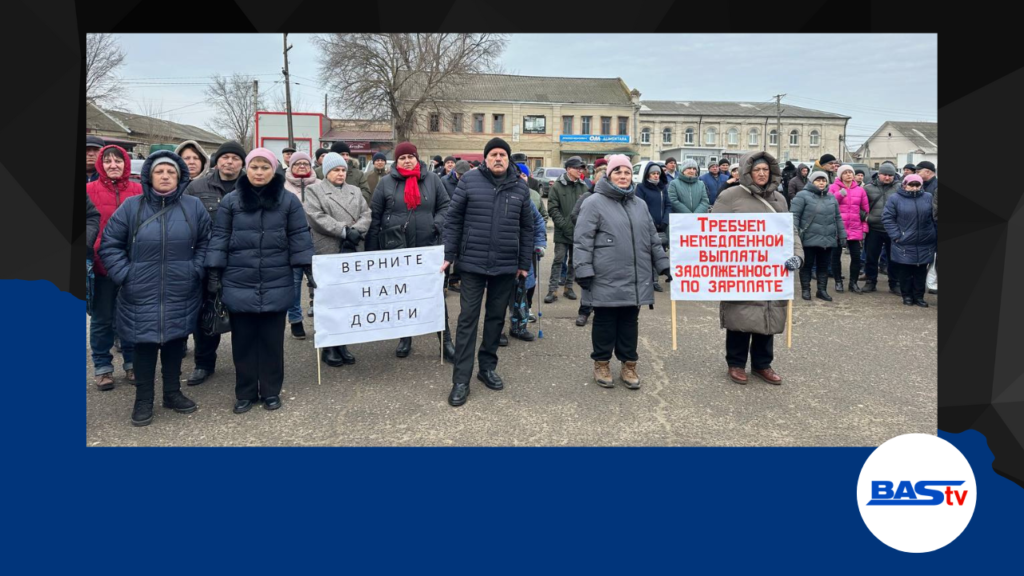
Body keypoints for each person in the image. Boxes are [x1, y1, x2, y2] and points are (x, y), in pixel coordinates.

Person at [98, 151, 211, 426]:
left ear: (180, 176)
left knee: (175, 342)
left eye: (171, 172)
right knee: (144, 346)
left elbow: (207, 243)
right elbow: (109, 243)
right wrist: (125, 274)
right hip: (140, 291)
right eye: (160, 171)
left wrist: (194, 271)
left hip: (180, 289)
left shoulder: (193, 207)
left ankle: (172, 393)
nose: (165, 176)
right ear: (149, 175)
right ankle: (143, 400)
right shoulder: (131, 207)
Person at [205, 148, 315, 414]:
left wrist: (311, 273)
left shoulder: (288, 201)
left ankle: (270, 391)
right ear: (247, 169)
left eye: (265, 167)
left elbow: (300, 238)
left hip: (276, 280)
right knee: (242, 342)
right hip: (239, 279)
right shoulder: (231, 201)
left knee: (271, 342)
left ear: (274, 170)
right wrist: (213, 274)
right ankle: (244, 392)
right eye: (254, 167)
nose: (259, 172)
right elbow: (220, 238)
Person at [441, 137, 534, 407]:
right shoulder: (469, 181)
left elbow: (526, 227)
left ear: (508, 159)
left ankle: (487, 368)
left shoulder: (520, 187)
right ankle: (460, 380)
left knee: (495, 319)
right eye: (493, 154)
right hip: (472, 263)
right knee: (468, 319)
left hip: (505, 265)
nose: (497, 158)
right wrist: (449, 255)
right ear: (485, 158)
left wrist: (523, 263)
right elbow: (453, 219)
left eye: (502, 155)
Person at [574, 155, 669, 389]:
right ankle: (602, 363)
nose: (623, 176)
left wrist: (664, 264)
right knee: (605, 321)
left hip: (635, 276)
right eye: (618, 172)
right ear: (609, 175)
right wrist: (583, 268)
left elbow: (652, 239)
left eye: (626, 172)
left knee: (629, 321)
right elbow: (582, 240)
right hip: (605, 275)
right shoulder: (594, 202)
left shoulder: (639, 204)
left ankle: (629, 365)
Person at [710, 151, 803, 386]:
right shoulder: (730, 196)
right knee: (741, 316)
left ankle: (763, 364)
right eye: (756, 170)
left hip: (772, 269)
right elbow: (713, 232)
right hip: (741, 269)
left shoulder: (779, 199)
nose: (762, 174)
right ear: (747, 172)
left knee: (768, 316)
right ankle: (736, 363)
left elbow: (790, 232)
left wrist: (797, 256)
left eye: (765, 170)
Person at [364, 142, 452, 360]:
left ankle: (446, 341)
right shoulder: (385, 183)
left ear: (416, 158)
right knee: (402, 295)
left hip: (427, 247)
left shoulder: (432, 180)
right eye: (402, 158)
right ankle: (405, 337)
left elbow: (446, 206)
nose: (406, 160)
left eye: (410, 157)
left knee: (435, 295)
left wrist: (436, 224)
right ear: (397, 161)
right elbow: (375, 216)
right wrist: (372, 251)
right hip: (396, 250)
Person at [182, 140, 246, 386]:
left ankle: (244, 363)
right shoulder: (196, 187)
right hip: (207, 261)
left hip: (242, 262)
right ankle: (204, 363)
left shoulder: (251, 185)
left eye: (235, 158)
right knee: (206, 315)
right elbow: (187, 223)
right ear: (216, 160)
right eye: (225, 157)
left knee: (243, 315)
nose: (229, 161)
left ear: (242, 163)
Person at [300, 152, 370, 366]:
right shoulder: (314, 190)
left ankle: (343, 343)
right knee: (329, 299)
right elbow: (315, 216)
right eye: (335, 170)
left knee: (348, 298)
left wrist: (356, 231)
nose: (340, 174)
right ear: (326, 172)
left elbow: (366, 213)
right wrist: (344, 231)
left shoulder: (355, 190)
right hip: (329, 248)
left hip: (352, 248)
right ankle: (328, 345)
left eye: (342, 170)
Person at [87, 144, 141, 390]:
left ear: (125, 163)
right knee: (102, 318)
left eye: (118, 161)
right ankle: (103, 367)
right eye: (107, 161)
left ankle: (132, 363)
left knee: (131, 317)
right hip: (100, 267)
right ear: (101, 165)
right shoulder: (89, 190)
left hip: (133, 266)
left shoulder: (138, 190)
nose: (113, 165)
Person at [506, 168, 547, 343]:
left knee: (522, 292)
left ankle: (519, 327)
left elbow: (537, 220)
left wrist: (539, 243)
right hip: (501, 253)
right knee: (500, 295)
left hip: (523, 252)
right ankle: (496, 330)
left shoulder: (525, 198)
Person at [882, 174, 936, 307]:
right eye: (911, 185)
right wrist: (896, 235)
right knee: (905, 271)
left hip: (925, 240)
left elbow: (934, 216)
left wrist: (933, 234)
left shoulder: (928, 197)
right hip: (904, 241)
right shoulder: (895, 198)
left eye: (917, 185)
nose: (915, 188)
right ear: (904, 184)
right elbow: (888, 218)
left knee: (921, 271)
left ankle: (919, 296)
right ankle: (907, 296)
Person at [791, 171, 845, 301]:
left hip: (827, 238)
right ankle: (806, 290)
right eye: (818, 180)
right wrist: (794, 234)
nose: (821, 183)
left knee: (823, 266)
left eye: (824, 180)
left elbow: (837, 217)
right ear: (812, 181)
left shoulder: (831, 197)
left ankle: (822, 290)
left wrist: (842, 234)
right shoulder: (802, 195)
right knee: (807, 265)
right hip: (808, 238)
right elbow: (794, 215)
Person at [282, 151, 319, 339]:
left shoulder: (319, 185)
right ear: (291, 166)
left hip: (317, 239)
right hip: (292, 241)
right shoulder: (282, 186)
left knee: (319, 282)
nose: (302, 166)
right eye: (298, 164)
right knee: (294, 282)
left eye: (306, 163)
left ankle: (322, 320)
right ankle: (295, 320)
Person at [544, 156, 588, 304]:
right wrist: (563, 225)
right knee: (558, 260)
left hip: (578, 231)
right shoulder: (557, 186)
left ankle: (568, 288)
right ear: (569, 169)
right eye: (577, 168)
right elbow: (552, 208)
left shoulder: (583, 187)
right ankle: (553, 289)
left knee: (574, 262)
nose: (580, 170)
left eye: (581, 168)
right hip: (562, 231)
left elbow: (588, 209)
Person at [829, 165, 870, 293]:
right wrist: (839, 195)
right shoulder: (833, 187)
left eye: (850, 173)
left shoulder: (860, 190)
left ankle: (853, 283)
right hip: (838, 228)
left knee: (856, 257)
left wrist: (864, 229)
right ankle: (838, 282)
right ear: (840, 175)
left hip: (855, 228)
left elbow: (865, 211)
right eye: (845, 173)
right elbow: (828, 205)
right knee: (835, 257)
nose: (848, 175)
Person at [863, 163, 901, 293]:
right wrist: (866, 217)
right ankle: (870, 282)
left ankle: (894, 283)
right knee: (871, 257)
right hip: (874, 228)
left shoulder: (900, 188)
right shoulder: (868, 188)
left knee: (893, 258)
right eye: (885, 174)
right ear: (879, 174)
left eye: (890, 175)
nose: (887, 177)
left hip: (892, 229)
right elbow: (860, 206)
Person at [634, 162, 671, 293]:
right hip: (646, 225)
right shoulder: (641, 188)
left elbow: (668, 205)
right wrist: (651, 222)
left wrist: (665, 220)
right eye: (653, 173)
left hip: (661, 226)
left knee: (659, 252)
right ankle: (647, 279)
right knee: (647, 254)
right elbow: (639, 206)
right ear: (647, 175)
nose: (656, 176)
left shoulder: (663, 188)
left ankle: (655, 280)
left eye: (658, 174)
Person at [321, 142, 372, 206]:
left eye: (347, 154)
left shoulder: (358, 174)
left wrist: (351, 204)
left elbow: (366, 192)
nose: (345, 157)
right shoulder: (321, 172)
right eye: (342, 154)